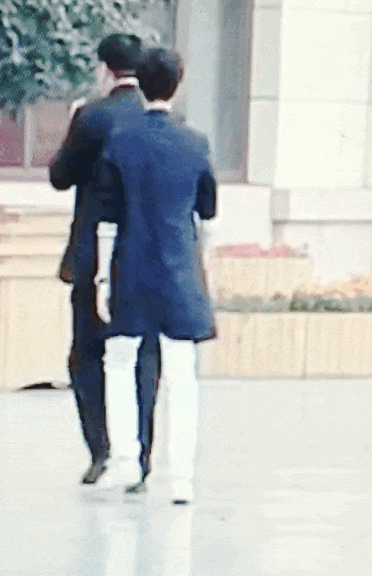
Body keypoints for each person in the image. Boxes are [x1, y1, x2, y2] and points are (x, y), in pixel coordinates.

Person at [93, 47, 217, 503]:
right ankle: (181, 476)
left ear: (140, 84)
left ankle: (126, 461)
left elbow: (107, 218)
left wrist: (102, 278)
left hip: (131, 267)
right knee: (183, 372)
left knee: (120, 360)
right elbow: (207, 213)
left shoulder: (121, 140)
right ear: (178, 83)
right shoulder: (196, 143)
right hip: (180, 269)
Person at [49, 34, 161, 486]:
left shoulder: (92, 116)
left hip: (94, 252)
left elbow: (61, 176)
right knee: (145, 355)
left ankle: (100, 451)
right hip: (144, 252)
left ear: (105, 69)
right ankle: (143, 453)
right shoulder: (156, 119)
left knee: (87, 353)